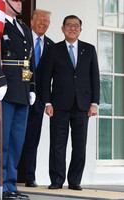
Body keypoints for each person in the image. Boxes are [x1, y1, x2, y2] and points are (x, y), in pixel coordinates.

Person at [42, 15, 100, 190]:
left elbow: (94, 79)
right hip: (59, 105)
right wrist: (47, 103)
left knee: (79, 145)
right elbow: (45, 80)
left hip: (83, 106)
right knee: (57, 145)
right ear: (62, 28)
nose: (72, 28)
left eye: (76, 25)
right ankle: (57, 180)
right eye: (69, 25)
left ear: (80, 30)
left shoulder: (89, 50)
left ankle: (75, 181)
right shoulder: (53, 49)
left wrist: (94, 103)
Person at [0, 0, 35, 199]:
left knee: (16, 142)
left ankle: (11, 185)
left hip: (21, 90)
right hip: (4, 89)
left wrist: (31, 87)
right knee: (0, 142)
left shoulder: (23, 27)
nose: (19, 3)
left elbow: (29, 60)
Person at [23, 9, 54, 187]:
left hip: (39, 100)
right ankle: (3, 174)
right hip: (19, 95)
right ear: (32, 21)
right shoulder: (23, 40)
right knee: (13, 138)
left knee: (32, 140)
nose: (43, 23)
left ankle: (29, 177)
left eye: (46, 21)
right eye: (40, 20)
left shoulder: (51, 45)